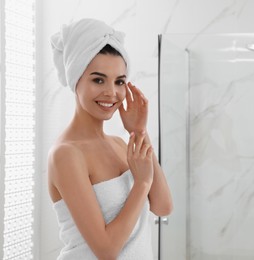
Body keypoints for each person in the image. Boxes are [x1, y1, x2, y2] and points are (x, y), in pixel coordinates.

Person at [48, 18, 173, 260]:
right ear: (76, 80)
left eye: (120, 82)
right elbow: (106, 250)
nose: (111, 92)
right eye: (98, 79)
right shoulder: (66, 154)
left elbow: (163, 206)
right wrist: (141, 184)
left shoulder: (119, 144)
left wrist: (139, 132)